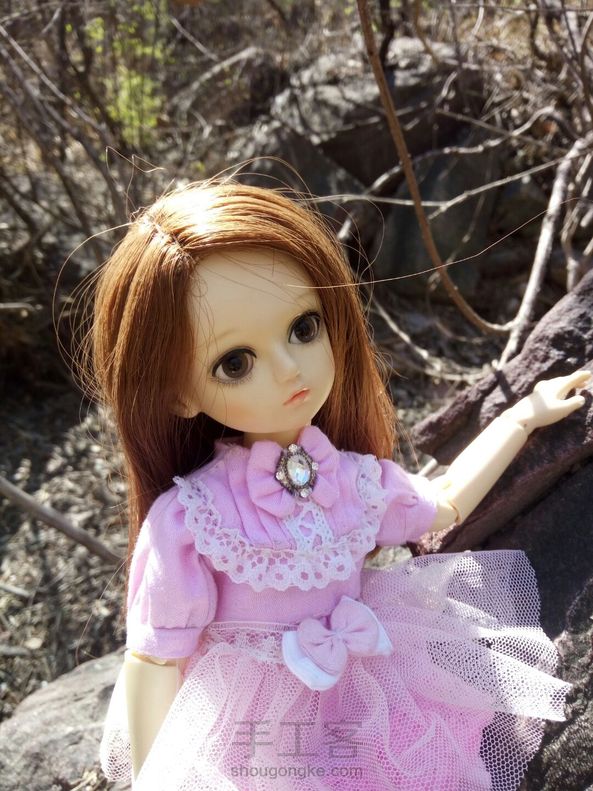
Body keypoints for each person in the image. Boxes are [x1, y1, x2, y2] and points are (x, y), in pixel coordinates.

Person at [91, 178, 589, 790]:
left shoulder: (352, 479)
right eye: (234, 363)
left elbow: (444, 502)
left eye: (304, 328)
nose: (289, 369)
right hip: (254, 728)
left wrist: (520, 418)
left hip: (367, 692)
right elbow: (155, 656)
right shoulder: (195, 517)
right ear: (179, 395)